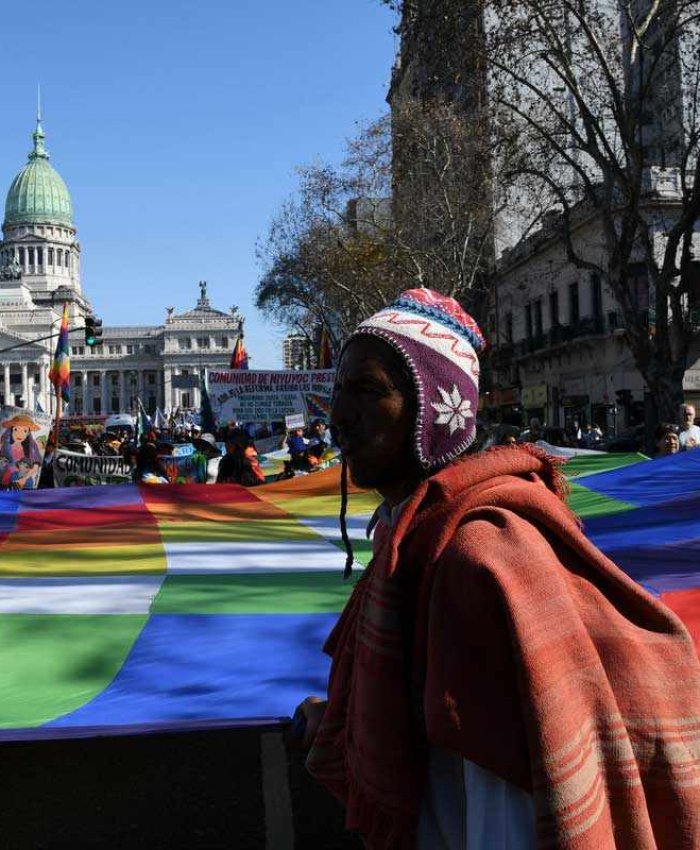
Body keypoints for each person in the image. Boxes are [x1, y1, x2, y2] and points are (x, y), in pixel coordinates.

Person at [295, 288, 700, 849]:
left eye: (367, 390)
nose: (339, 416)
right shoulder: (412, 536)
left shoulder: (478, 558)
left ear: (436, 411)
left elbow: (503, 802)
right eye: (339, 390)